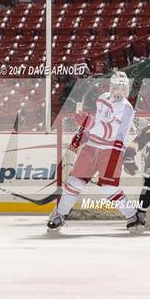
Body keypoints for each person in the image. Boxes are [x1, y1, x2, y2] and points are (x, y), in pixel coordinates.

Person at [47, 71, 137, 232]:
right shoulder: (102, 97)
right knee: (74, 183)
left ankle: (133, 217)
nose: (119, 92)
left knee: (109, 188)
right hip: (92, 146)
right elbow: (99, 120)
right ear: (111, 87)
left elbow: (110, 130)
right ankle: (60, 215)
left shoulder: (127, 108)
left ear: (127, 90)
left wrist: (88, 122)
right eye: (116, 88)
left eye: (122, 89)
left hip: (112, 148)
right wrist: (85, 131)